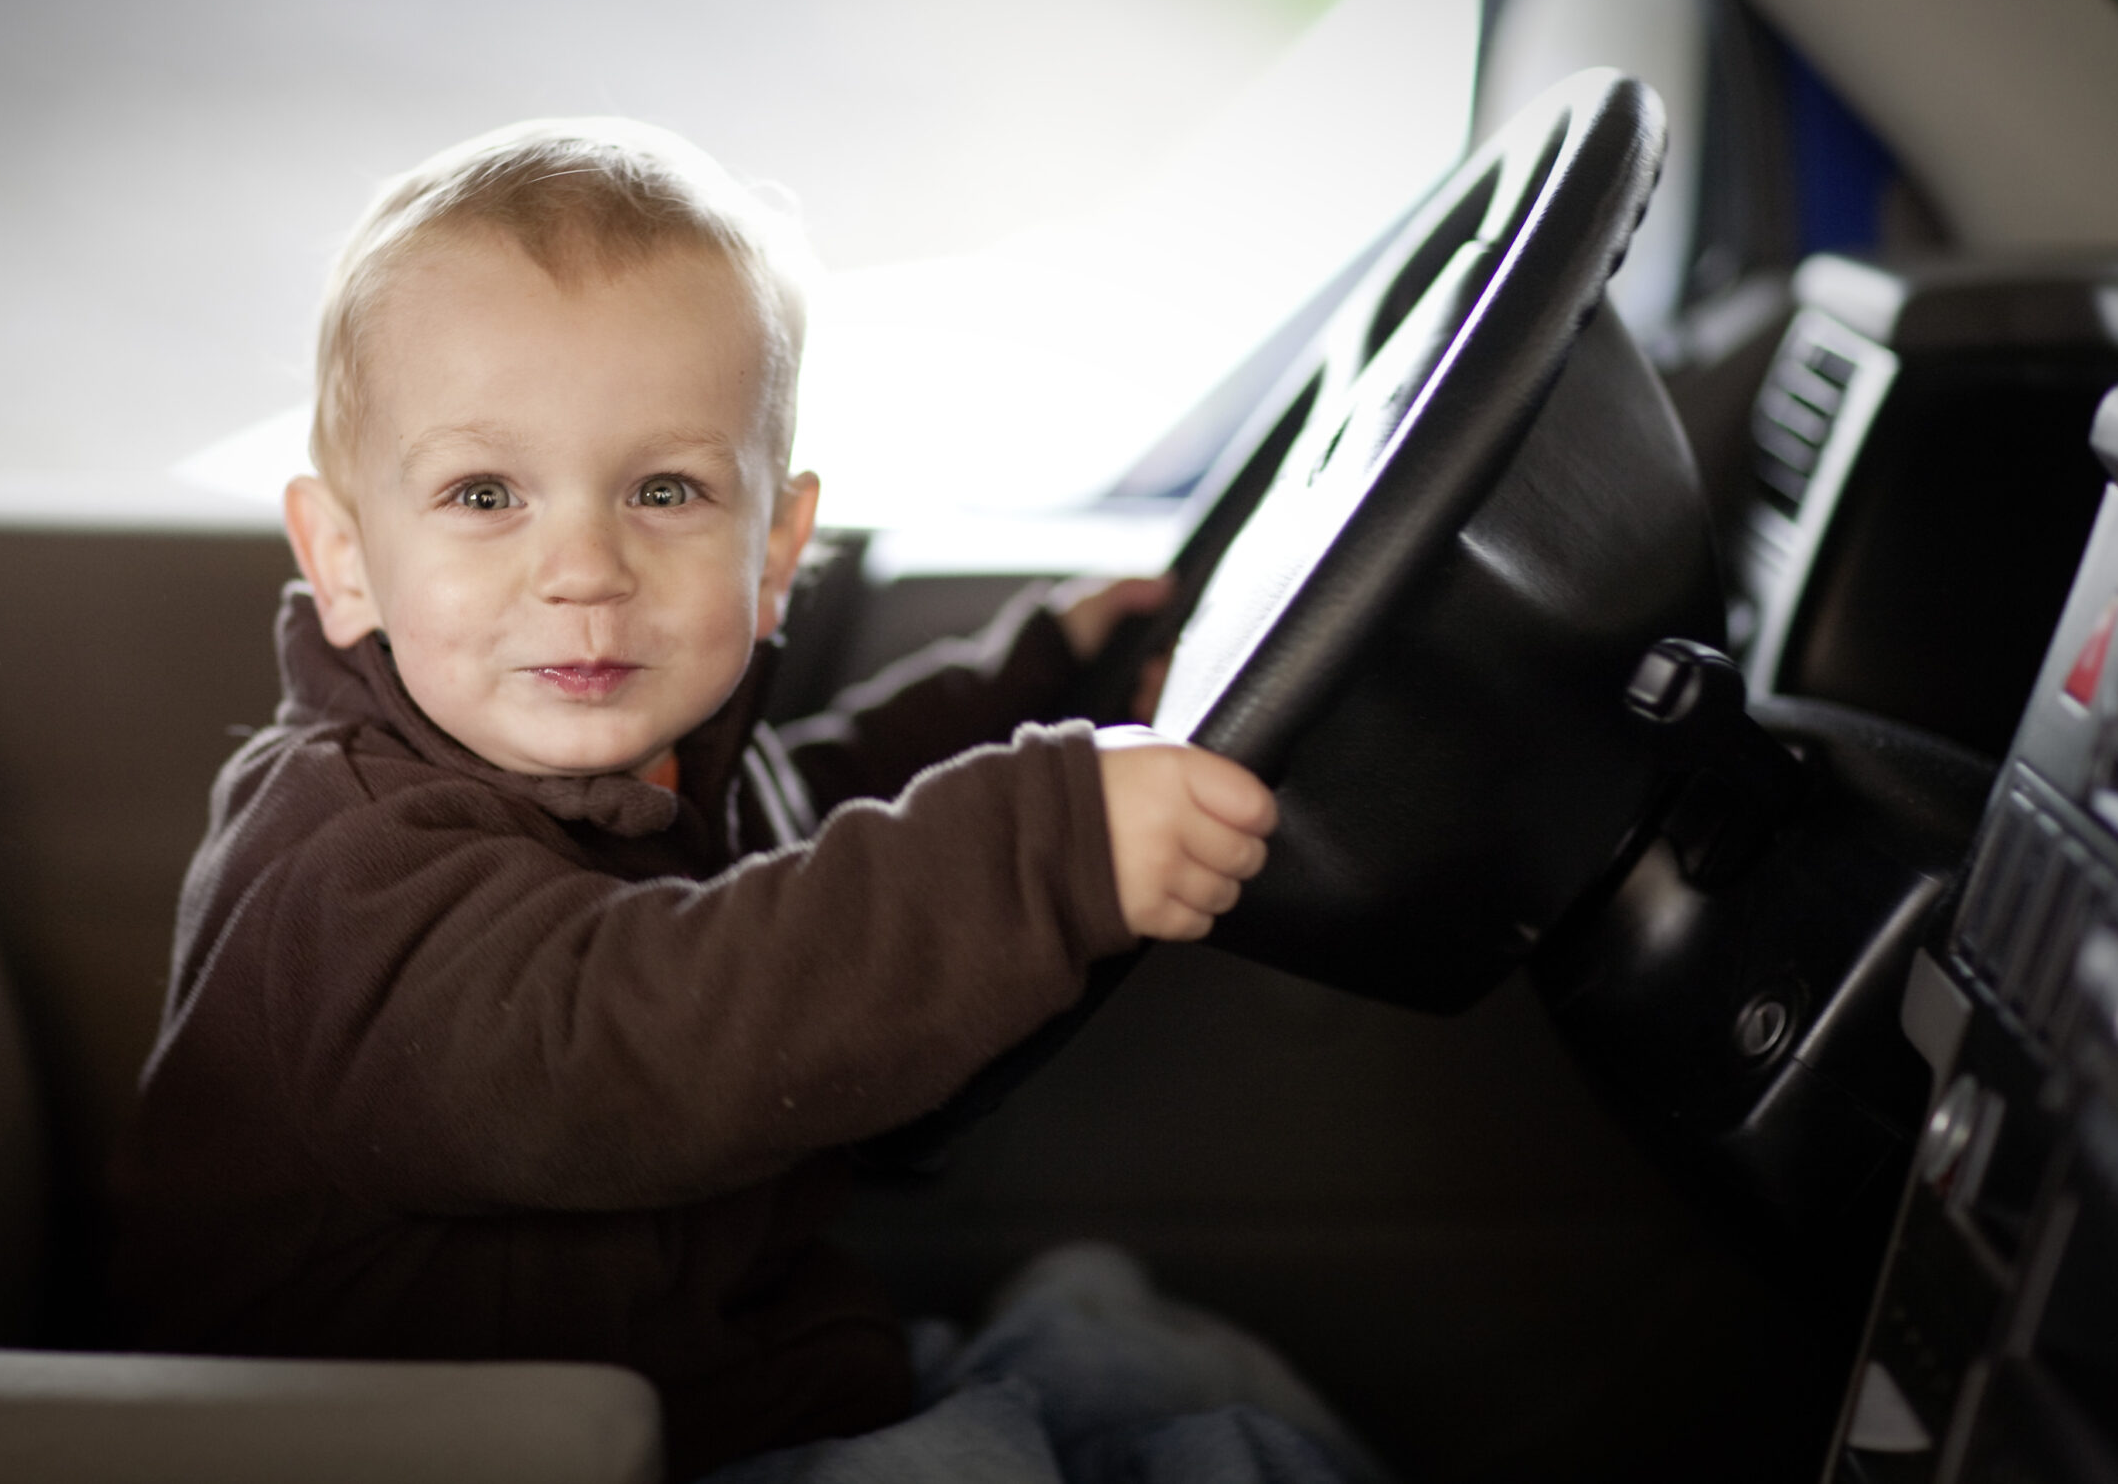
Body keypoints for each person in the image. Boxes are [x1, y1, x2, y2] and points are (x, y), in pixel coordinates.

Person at [110, 119, 1364, 1482]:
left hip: (722, 1379)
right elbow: (655, 1023)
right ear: (343, 558)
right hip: (486, 1451)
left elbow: (801, 813)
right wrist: (1043, 846)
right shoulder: (345, 878)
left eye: (664, 490)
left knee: (1151, 1359)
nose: (583, 566)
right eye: (486, 494)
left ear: (775, 552)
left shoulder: (628, 770)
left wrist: (1044, 689)